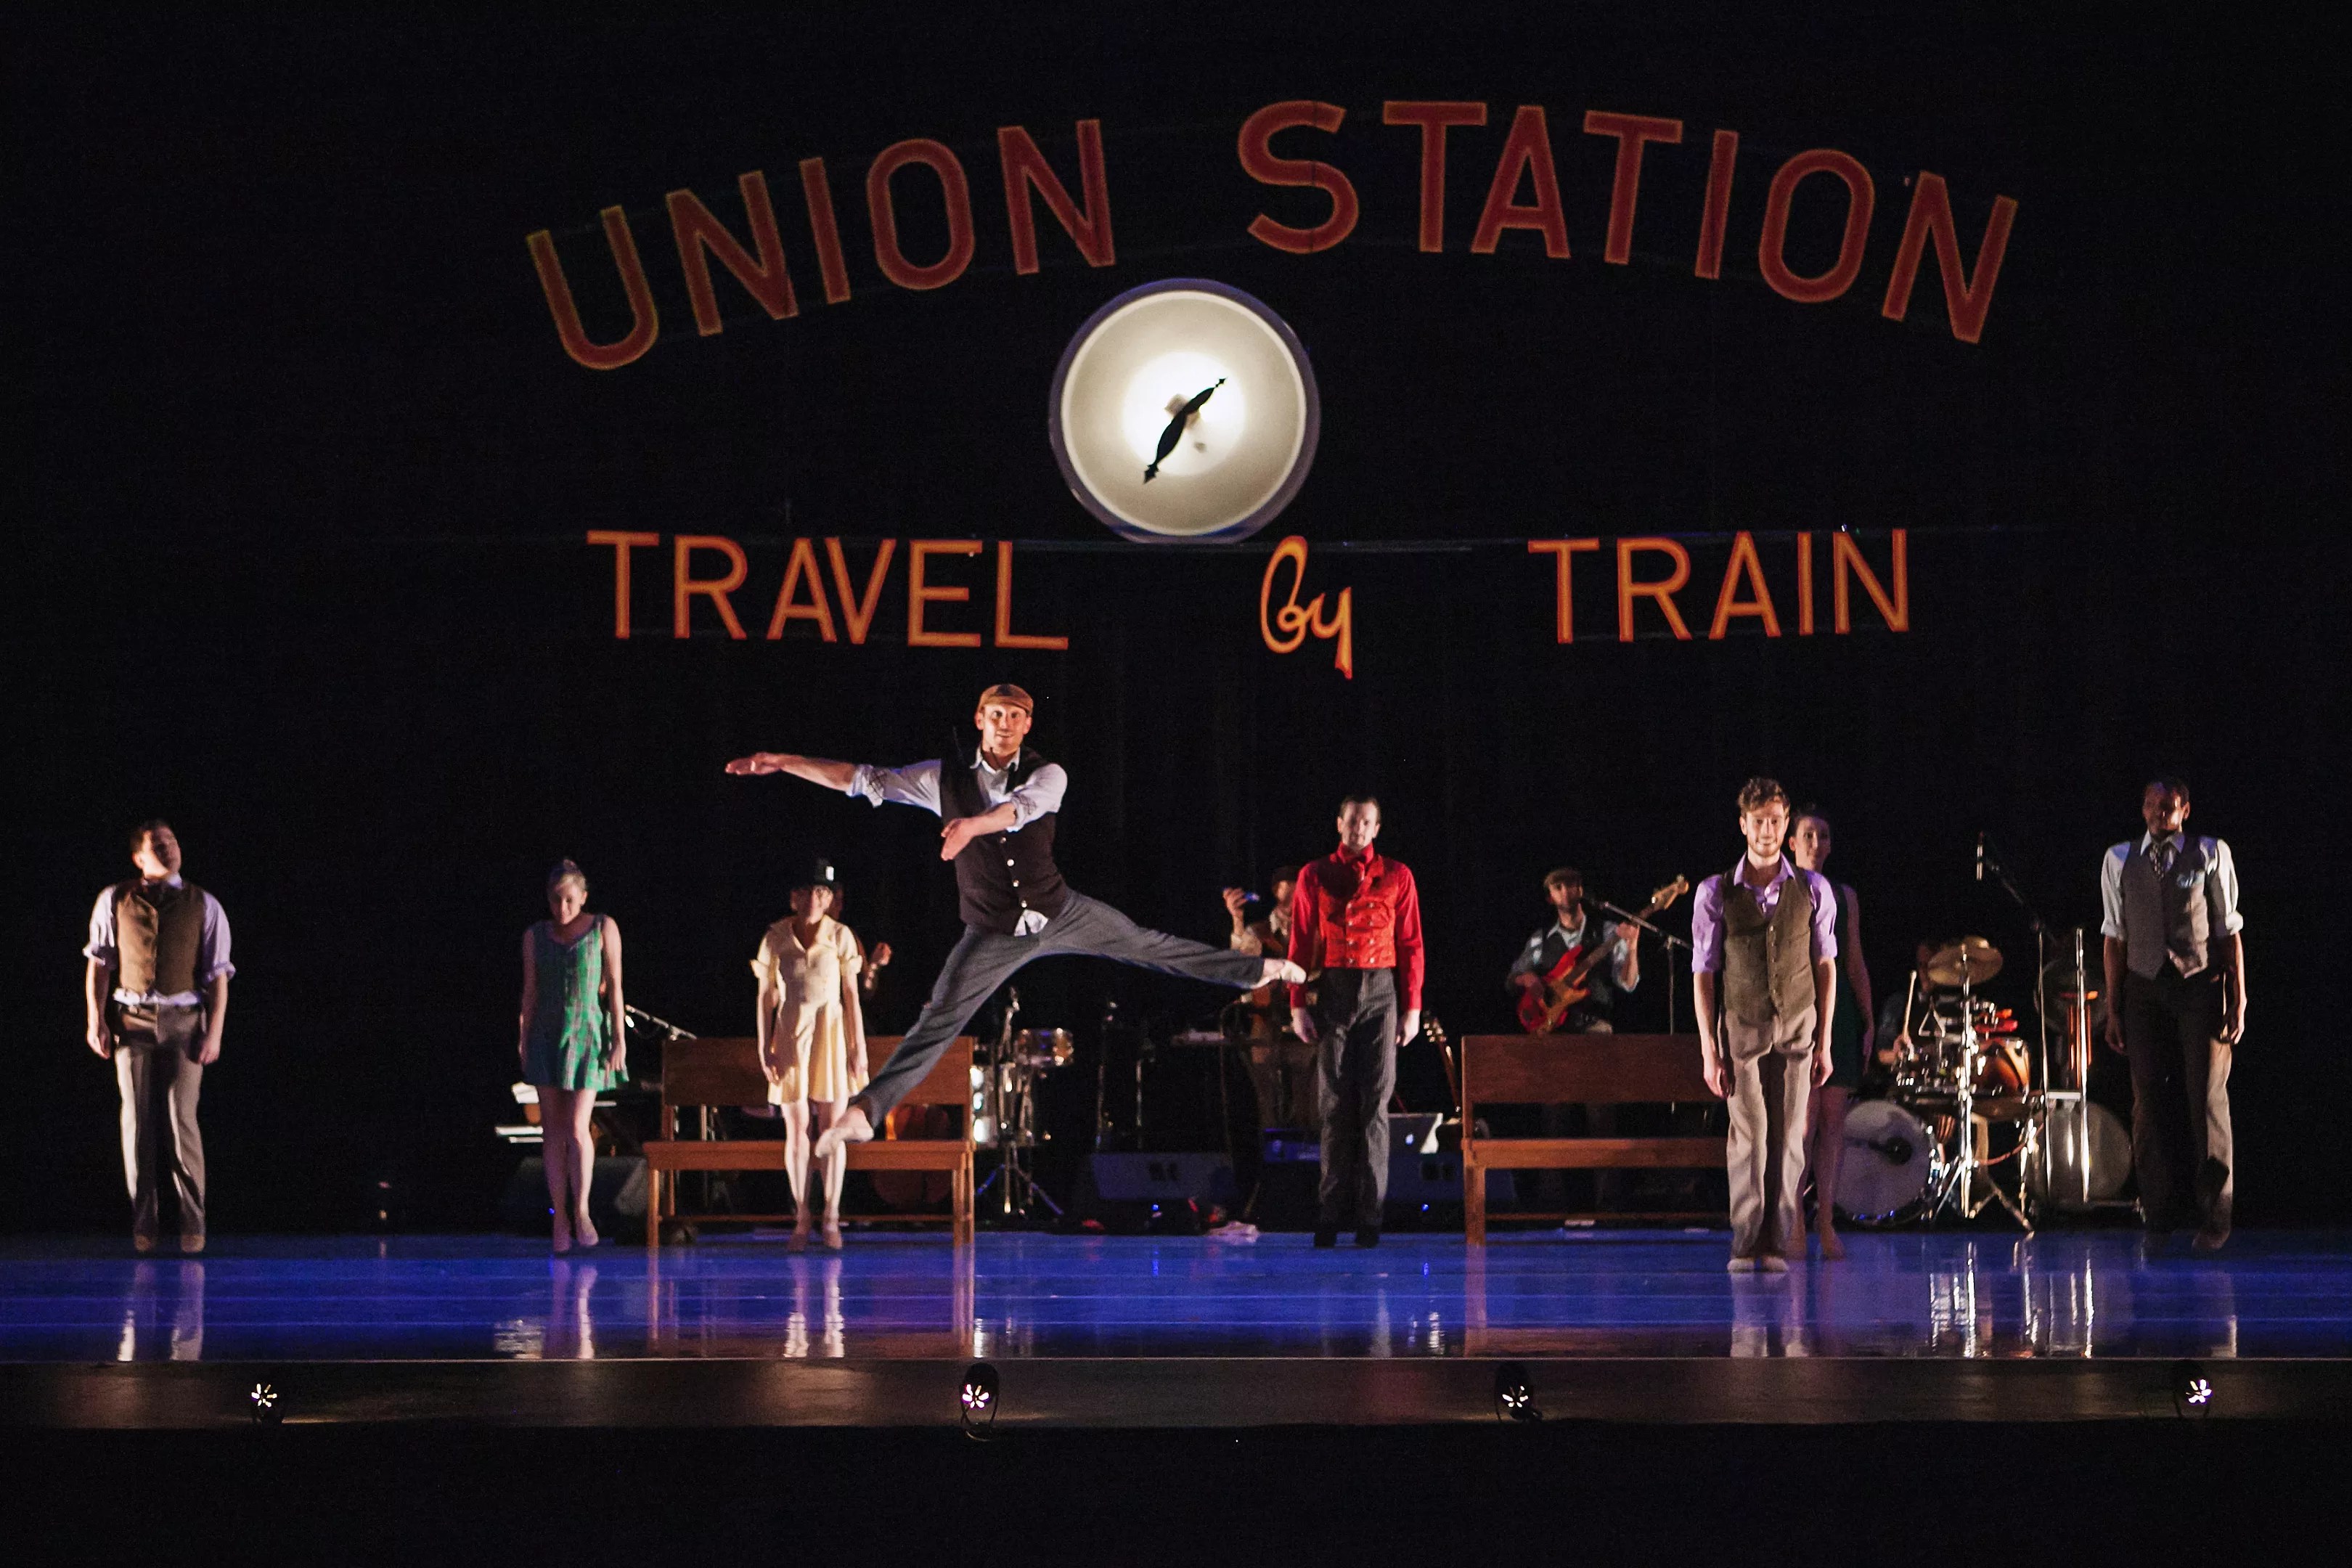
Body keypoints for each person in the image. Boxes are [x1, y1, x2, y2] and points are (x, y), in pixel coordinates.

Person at [726, 684, 1301, 1160]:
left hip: (1060, 912)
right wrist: (785, 763)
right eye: (996, 714)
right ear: (980, 720)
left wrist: (970, 827)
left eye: (1016, 716)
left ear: (1027, 726)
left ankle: (1254, 971)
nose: (1005, 724)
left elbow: (1018, 811)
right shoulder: (942, 779)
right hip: (992, 930)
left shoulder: (1049, 774)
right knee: (940, 1016)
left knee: (1147, 944)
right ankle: (865, 1112)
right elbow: (862, 778)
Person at [1691, 778, 1838, 1273]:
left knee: (1791, 1135)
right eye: (1759, 822)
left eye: (1776, 821)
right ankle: (1746, 1240)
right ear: (1743, 825)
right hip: (1744, 1026)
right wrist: (1709, 1051)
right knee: (1751, 1135)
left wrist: (1826, 1041)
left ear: (1786, 823)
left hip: (1798, 1025)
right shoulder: (1716, 891)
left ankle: (1777, 1241)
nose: (1768, 831)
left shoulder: (1812, 889)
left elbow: (1826, 965)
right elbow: (1704, 972)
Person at [2101, 777, 2245, 1254]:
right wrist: (2113, 1007)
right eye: (2151, 805)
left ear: (2185, 810)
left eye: (2169, 806)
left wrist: (2238, 999)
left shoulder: (2209, 853)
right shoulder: (2119, 859)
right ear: (2143, 809)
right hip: (2144, 989)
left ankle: (2216, 1216)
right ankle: (2158, 1217)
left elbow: (2228, 932)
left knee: (2206, 1101)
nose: (2159, 812)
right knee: (2147, 1103)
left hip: (2198, 985)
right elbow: (2114, 938)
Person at [83, 820, 233, 1254]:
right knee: (136, 1123)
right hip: (132, 1023)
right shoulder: (115, 898)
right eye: (158, 845)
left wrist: (215, 1032)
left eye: (172, 842)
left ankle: (192, 1223)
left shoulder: (204, 903)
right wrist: (95, 1019)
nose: (168, 849)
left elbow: (218, 977)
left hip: (184, 1022)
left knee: (181, 1120)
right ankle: (144, 1224)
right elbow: (100, 964)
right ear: (139, 857)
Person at [1289, 796, 1425, 1249]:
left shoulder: (1398, 875)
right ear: (1339, 824)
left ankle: (1371, 1218)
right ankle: (1329, 1214)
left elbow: (1411, 942)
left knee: (1375, 1106)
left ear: (1377, 828)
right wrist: (1297, 1003)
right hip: (1335, 987)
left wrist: (1412, 1007)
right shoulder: (1315, 874)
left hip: (1382, 991)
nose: (1358, 829)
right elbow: (1301, 939)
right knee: (1332, 1105)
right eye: (1352, 821)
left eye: (1366, 822)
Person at [754, 859, 870, 1251]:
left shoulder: (840, 936)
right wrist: (764, 1047)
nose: (814, 899)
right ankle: (802, 1216)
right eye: (806, 892)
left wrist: (858, 1048)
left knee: (832, 1126)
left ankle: (832, 1215)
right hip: (790, 1035)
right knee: (797, 1127)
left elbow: (851, 995)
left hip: (830, 1034)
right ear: (794, 897)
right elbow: (766, 996)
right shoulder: (776, 937)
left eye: (821, 892)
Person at [518, 859, 626, 1254]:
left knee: (579, 1126)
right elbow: (530, 990)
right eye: (555, 900)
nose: (561, 907)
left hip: (587, 1033)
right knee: (553, 1130)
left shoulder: (602, 927)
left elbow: (615, 985)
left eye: (569, 900)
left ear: (582, 898)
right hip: (547, 1034)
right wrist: (524, 1038)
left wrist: (619, 1039)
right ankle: (559, 1216)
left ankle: (581, 1210)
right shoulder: (535, 936)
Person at [1788, 811, 1874, 1260]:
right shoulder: (1781, 889)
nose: (1815, 843)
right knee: (1803, 1123)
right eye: (1807, 835)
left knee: (1833, 1121)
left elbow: (1853, 959)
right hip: (1800, 1007)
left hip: (1838, 1012)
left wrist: (1867, 1017)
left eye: (1823, 836)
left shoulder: (1845, 896)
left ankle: (1826, 1221)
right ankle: (1795, 1220)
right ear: (1792, 842)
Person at [1222, 867, 1314, 1128]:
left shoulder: (1313, 931)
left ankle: (1306, 1143)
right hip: (1264, 1021)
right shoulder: (1259, 931)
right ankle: (1270, 1143)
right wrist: (1237, 921)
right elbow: (1241, 967)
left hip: (1303, 1020)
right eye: (1289, 889)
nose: (1294, 897)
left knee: (1306, 1096)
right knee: (1266, 1098)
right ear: (1276, 891)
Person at [1507, 867, 1640, 1032]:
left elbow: (1628, 984)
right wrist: (1525, 978)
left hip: (1596, 1028)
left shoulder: (1608, 932)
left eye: (1570, 885)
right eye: (1558, 887)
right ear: (1550, 898)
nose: (1564, 891)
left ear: (1580, 891)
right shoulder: (1540, 939)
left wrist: (1632, 949)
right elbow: (1512, 978)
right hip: (1551, 1031)